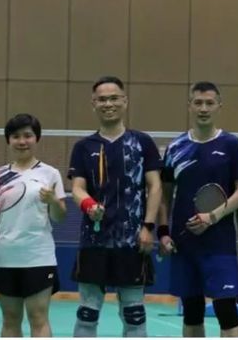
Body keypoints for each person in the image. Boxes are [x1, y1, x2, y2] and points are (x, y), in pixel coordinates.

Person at [68, 76, 162, 337]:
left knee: (134, 314)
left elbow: (155, 186)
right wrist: (89, 205)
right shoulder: (83, 147)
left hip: (132, 242)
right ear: (93, 104)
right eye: (102, 99)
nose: (108, 104)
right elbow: (77, 188)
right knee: (87, 313)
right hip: (93, 241)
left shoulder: (142, 142)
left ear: (125, 101)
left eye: (113, 98)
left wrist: (148, 227)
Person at [157, 82, 238, 337]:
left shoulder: (231, 145)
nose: (203, 108)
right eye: (198, 103)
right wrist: (163, 233)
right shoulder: (175, 148)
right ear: (189, 106)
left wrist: (212, 216)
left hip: (220, 244)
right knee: (192, 311)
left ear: (219, 106)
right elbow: (164, 196)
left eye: (209, 103)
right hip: (184, 244)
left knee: (227, 311)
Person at [0, 113, 66, 337]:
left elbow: (59, 216)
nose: (22, 141)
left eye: (28, 136)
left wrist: (53, 201)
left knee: (38, 318)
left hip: (38, 255)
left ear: (36, 139)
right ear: (8, 140)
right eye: (16, 136)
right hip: (6, 256)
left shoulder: (50, 173)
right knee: (10, 319)